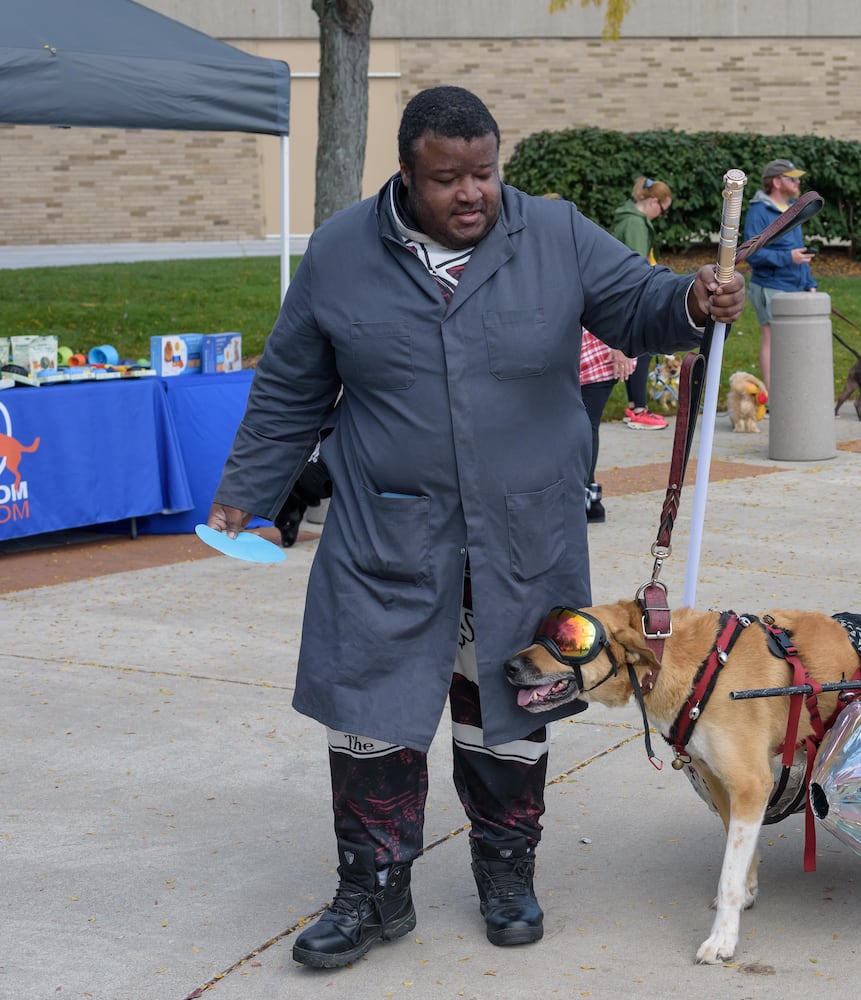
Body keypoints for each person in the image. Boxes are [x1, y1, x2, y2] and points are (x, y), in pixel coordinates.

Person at [205, 85, 743, 969]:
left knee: (509, 703)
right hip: (387, 533)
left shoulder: (557, 232)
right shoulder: (341, 252)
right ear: (406, 176)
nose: (470, 195)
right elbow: (291, 387)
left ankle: (507, 874)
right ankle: (372, 894)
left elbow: (640, 304)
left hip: (524, 533)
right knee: (369, 711)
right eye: (446, 179)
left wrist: (691, 302)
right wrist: (246, 492)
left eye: (484, 174)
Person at [743, 158, 817, 392]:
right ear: (776, 182)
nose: (797, 182)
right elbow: (751, 254)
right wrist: (787, 258)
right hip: (770, 286)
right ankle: (773, 395)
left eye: (797, 178)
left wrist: (809, 282)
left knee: (794, 341)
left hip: (795, 286)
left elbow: (799, 250)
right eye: (792, 178)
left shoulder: (794, 208)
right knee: (772, 339)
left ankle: (792, 392)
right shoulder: (758, 212)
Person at [611, 176, 674, 430]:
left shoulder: (630, 219)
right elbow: (636, 266)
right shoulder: (636, 224)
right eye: (663, 209)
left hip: (635, 293)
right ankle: (638, 409)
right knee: (642, 347)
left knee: (638, 349)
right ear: (653, 202)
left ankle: (636, 406)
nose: (661, 215)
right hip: (636, 295)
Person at [578, 328, 635, 521]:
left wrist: (621, 345)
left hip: (599, 354)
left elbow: (621, 302)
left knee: (584, 427)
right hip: (572, 352)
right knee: (579, 427)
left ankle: (586, 499)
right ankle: (589, 501)